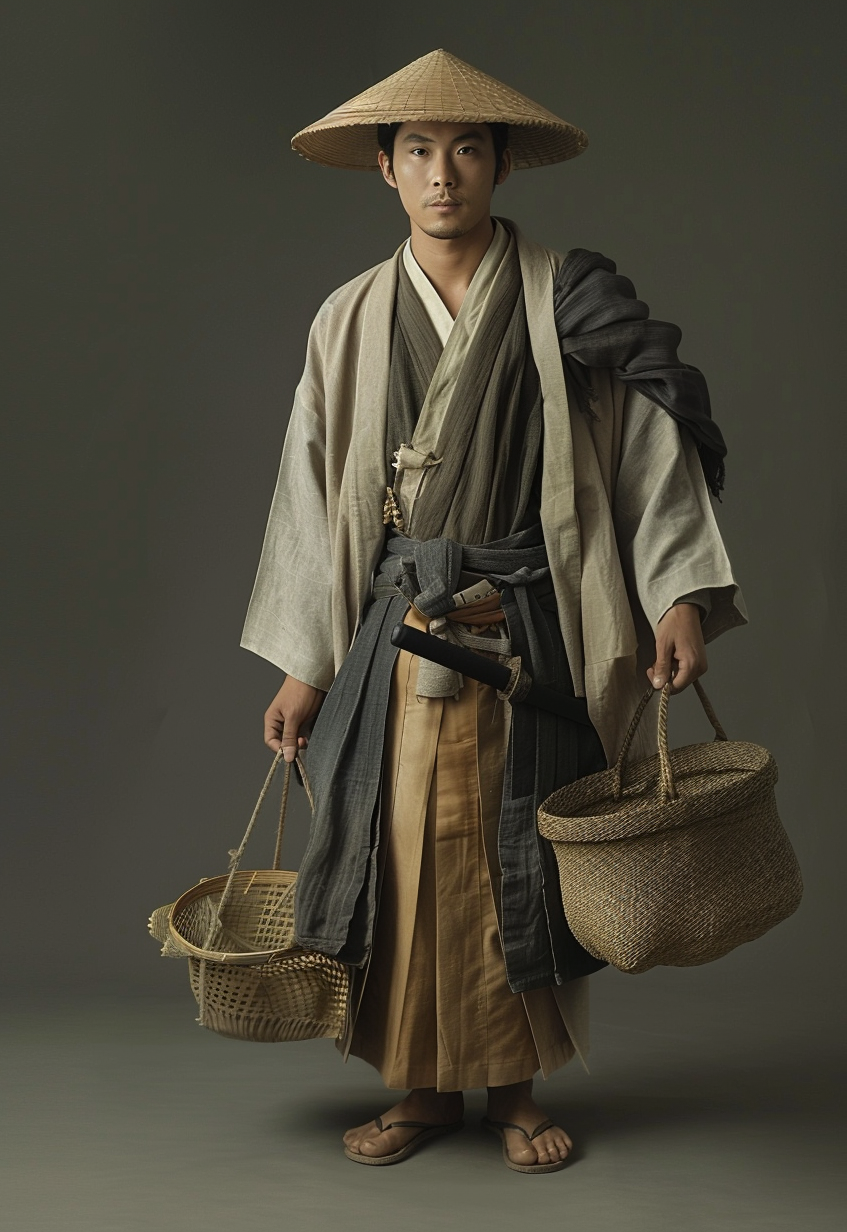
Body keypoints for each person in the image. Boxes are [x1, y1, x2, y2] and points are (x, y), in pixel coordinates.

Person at [241, 49, 746, 1173]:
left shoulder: (568, 293)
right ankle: (420, 1086)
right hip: (401, 626)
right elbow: (311, 493)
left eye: (466, 148)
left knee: (518, 853)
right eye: (417, 150)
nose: (442, 174)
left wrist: (673, 592)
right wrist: (303, 665)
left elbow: (648, 456)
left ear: (501, 163)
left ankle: (514, 1088)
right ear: (383, 168)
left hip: (530, 625)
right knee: (404, 855)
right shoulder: (352, 319)